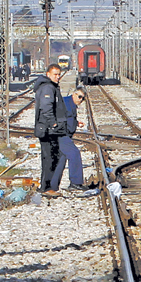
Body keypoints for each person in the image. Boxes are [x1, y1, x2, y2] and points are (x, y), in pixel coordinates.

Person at [33, 64, 68, 197]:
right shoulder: (48, 87)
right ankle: (46, 187)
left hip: (48, 128)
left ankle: (47, 185)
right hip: (48, 130)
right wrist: (53, 123)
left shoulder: (50, 86)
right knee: (50, 157)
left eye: (59, 74)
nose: (58, 77)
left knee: (51, 156)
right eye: (55, 74)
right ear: (48, 74)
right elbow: (46, 107)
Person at [51, 88, 87, 192]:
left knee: (61, 160)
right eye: (79, 97)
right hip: (60, 135)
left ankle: (52, 186)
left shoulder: (71, 104)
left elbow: (69, 118)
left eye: (83, 98)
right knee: (74, 153)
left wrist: (76, 123)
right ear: (74, 94)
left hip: (64, 135)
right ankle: (75, 183)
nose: (80, 100)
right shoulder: (65, 102)